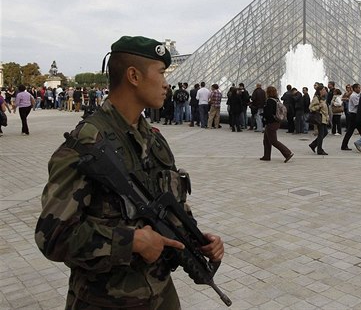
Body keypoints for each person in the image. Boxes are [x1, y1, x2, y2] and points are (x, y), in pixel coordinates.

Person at [34, 35, 224, 309]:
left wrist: (199, 239)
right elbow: (52, 236)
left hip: (161, 295)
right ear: (134, 76)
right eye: (160, 73)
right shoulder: (87, 143)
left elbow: (170, 206)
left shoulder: (155, 139)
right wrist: (130, 242)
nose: (166, 82)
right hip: (105, 300)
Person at [261, 86, 294, 163]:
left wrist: (263, 115)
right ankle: (266, 156)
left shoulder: (269, 101)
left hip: (271, 123)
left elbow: (269, 113)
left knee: (273, 141)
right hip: (276, 122)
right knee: (266, 140)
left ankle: (287, 153)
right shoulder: (276, 100)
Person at [308, 86, 329, 155]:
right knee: (321, 134)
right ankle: (319, 150)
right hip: (320, 118)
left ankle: (313, 145)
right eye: (323, 90)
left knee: (325, 132)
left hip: (324, 118)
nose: (325, 91)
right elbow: (311, 108)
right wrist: (319, 106)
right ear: (320, 91)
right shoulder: (316, 98)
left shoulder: (322, 98)